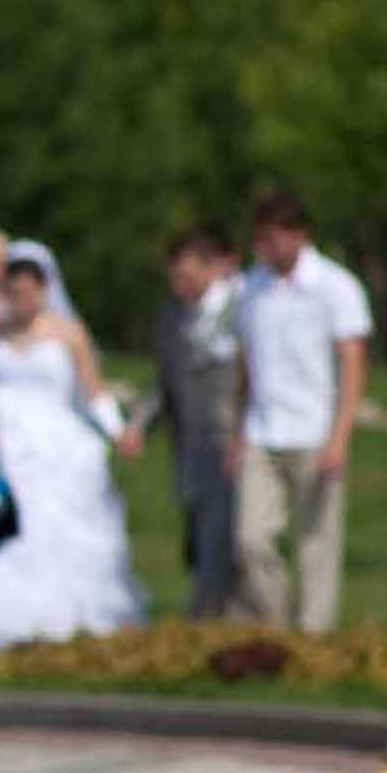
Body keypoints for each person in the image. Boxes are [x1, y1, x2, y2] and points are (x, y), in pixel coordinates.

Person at [0, 245, 148, 647]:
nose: (22, 301)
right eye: (13, 293)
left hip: (57, 439)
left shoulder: (68, 334)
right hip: (10, 439)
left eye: (29, 292)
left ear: (45, 291)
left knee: (60, 525)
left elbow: (93, 392)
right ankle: (8, 614)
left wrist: (116, 431)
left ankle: (70, 611)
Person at [230, 189, 369, 633]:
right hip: (261, 430)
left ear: (298, 236)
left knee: (316, 542)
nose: (265, 250)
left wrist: (339, 436)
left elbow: (351, 363)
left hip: (314, 429)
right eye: (260, 240)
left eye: (272, 239)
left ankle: (314, 633)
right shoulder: (251, 287)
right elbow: (245, 364)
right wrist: (237, 434)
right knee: (251, 538)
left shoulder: (335, 286)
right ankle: (274, 622)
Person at [132, 225, 244, 620]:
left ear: (212, 269)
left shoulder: (241, 308)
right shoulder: (170, 316)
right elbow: (163, 380)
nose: (180, 283)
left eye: (189, 274)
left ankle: (205, 615)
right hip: (190, 442)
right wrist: (138, 425)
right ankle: (218, 609)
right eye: (175, 275)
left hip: (232, 438)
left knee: (225, 532)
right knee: (198, 535)